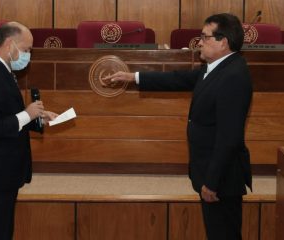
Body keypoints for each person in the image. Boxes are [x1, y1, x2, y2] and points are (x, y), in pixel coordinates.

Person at [103, 13, 252, 239]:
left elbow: (228, 137)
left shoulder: (233, 76)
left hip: (222, 180)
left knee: (224, 234)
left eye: (204, 36)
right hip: (212, 173)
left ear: (223, 41)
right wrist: (132, 77)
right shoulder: (216, 68)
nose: (199, 42)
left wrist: (212, 183)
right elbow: (177, 79)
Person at [0, 22, 58, 240]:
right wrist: (27, 114)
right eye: (26, 50)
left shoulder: (0, 68)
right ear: (9, 44)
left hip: (2, 173)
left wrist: (37, 117)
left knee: (2, 233)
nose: (28, 56)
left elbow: (6, 113)